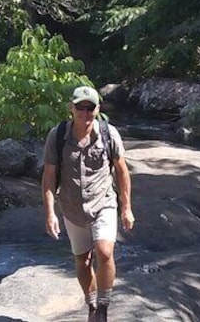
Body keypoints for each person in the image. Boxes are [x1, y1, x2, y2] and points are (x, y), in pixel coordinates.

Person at [42, 85, 135, 322]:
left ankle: (103, 307)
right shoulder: (58, 135)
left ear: (97, 109)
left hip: (103, 202)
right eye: (80, 107)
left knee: (104, 252)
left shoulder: (108, 134)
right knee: (83, 263)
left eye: (90, 107)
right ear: (71, 108)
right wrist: (50, 213)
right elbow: (49, 176)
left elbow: (122, 172)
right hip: (73, 208)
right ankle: (92, 303)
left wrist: (126, 208)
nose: (85, 112)